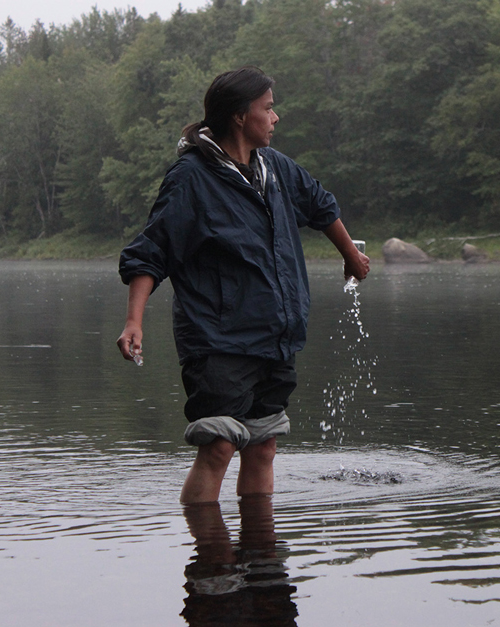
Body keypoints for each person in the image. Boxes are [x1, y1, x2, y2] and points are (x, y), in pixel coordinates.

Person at [116, 66, 369, 504]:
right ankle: (211, 564)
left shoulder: (276, 168)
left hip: (275, 336)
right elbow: (152, 251)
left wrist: (350, 254)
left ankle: (261, 565)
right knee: (218, 446)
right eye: (268, 108)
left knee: (263, 446)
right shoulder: (191, 178)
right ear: (239, 116)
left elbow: (320, 205)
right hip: (218, 340)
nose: (276, 118)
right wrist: (133, 321)